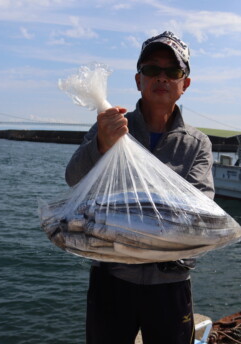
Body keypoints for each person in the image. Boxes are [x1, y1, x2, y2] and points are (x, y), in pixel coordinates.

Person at [65, 31, 215, 344]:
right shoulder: (110, 125)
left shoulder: (197, 144)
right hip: (112, 278)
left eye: (172, 72)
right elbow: (75, 179)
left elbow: (199, 209)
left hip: (171, 282)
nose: (161, 78)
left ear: (184, 84)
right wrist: (103, 144)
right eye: (151, 70)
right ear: (138, 80)